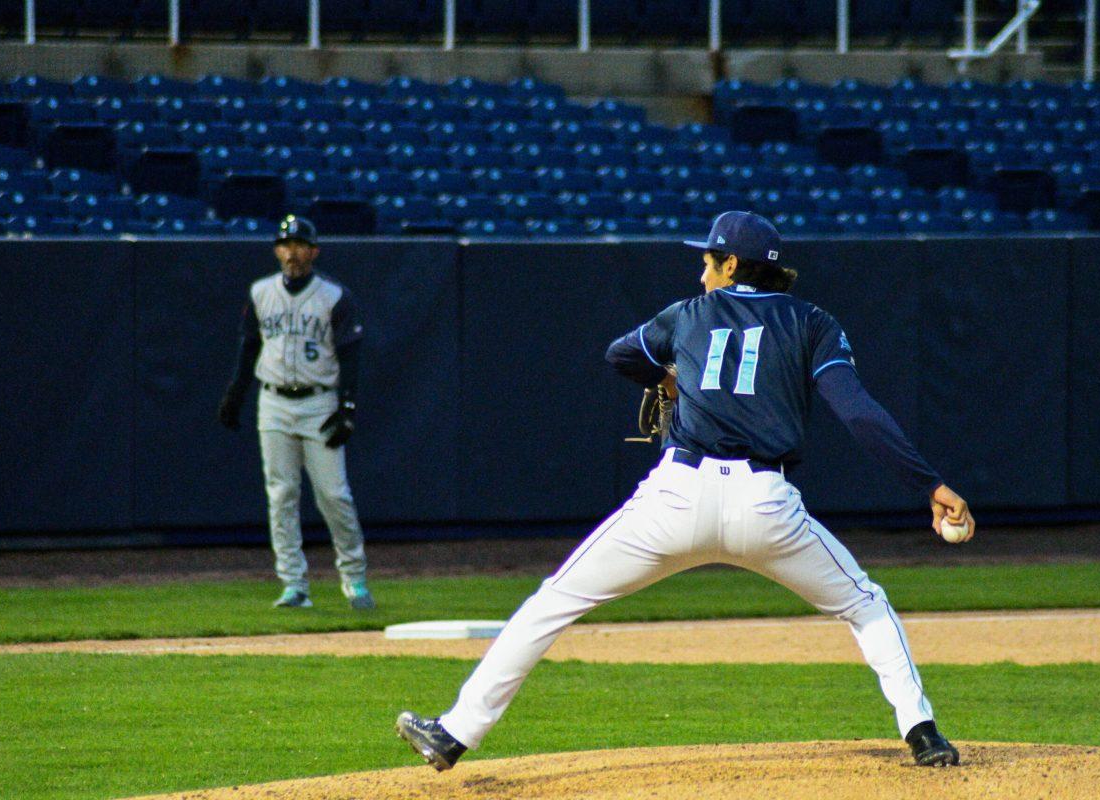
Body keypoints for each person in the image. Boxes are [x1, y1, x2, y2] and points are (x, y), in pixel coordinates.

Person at [395, 210, 974, 770]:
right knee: (864, 602)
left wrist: (668, 376)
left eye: (708, 261)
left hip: (676, 497)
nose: (702, 273)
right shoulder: (812, 322)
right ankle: (922, 734)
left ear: (729, 264)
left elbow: (619, 354)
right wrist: (930, 484)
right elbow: (860, 414)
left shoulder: (688, 315)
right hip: (766, 505)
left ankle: (454, 734)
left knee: (554, 601)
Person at [218, 215, 374, 611]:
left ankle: (354, 578)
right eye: (286, 245)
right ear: (277, 250)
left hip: (319, 401)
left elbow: (351, 355)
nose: (292, 252)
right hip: (273, 401)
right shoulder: (260, 292)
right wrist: (236, 393)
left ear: (314, 251)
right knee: (281, 494)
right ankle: (293, 584)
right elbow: (249, 346)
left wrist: (347, 408)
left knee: (334, 495)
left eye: (300, 245)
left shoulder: (334, 296)